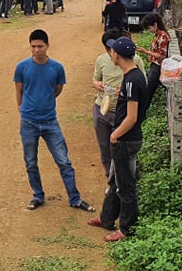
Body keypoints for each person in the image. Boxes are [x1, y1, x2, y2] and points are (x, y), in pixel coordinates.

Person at [14, 29, 95, 213]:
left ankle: (74, 198)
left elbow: (57, 90)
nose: (36, 50)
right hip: (28, 122)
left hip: (50, 122)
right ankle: (37, 195)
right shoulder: (22, 67)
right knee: (30, 161)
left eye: (40, 46)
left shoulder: (57, 68)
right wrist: (21, 108)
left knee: (64, 162)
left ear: (47, 46)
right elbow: (19, 89)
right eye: (33, 46)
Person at [88, 36, 147, 242]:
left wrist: (115, 134)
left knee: (125, 185)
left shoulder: (132, 81)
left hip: (126, 140)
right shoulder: (134, 76)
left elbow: (131, 117)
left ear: (117, 55)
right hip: (126, 138)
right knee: (115, 180)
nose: (110, 53)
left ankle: (127, 228)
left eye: (112, 51)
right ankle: (106, 218)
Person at [92, 29, 145, 178]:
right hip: (103, 108)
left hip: (123, 113)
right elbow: (95, 79)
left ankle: (125, 179)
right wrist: (98, 85)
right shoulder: (101, 60)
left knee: (121, 148)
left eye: (113, 48)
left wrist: (124, 91)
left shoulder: (135, 62)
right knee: (104, 146)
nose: (111, 53)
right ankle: (111, 177)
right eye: (108, 49)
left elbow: (141, 86)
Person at [136, 12, 170, 111]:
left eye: (149, 27)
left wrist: (145, 51)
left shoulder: (163, 36)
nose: (149, 30)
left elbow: (161, 56)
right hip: (154, 65)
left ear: (155, 24)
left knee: (148, 91)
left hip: (158, 66)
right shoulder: (157, 35)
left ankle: (142, 112)